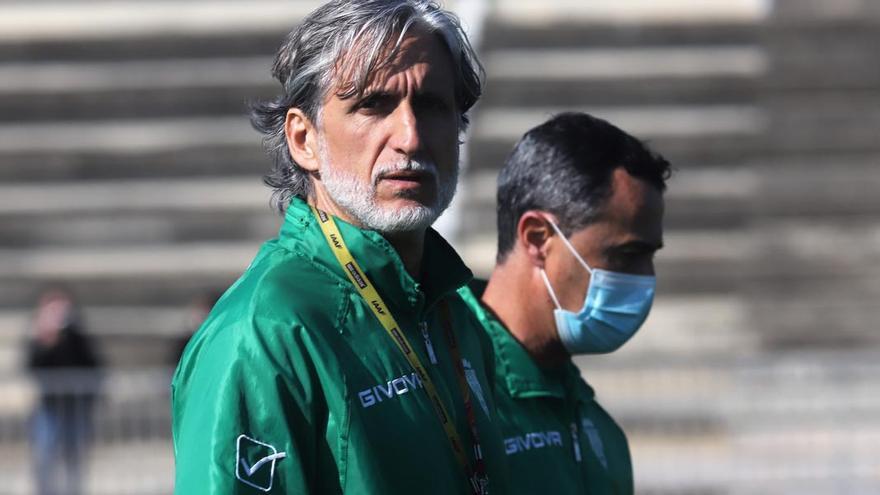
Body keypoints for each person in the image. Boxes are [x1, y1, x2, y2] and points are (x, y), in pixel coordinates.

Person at [172, 1, 508, 494]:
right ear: (304, 139)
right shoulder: (263, 333)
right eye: (373, 105)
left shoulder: (453, 309)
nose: (410, 137)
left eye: (433, 105)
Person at [458, 112, 671, 494]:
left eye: (649, 257)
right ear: (538, 238)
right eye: (625, 255)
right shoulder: (444, 391)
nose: (645, 279)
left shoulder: (598, 428)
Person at [27, 287, 102, 495]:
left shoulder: (79, 336)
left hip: (75, 409)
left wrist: (69, 336)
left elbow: (92, 364)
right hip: (49, 407)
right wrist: (47, 341)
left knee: (75, 456)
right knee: (44, 455)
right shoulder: (39, 337)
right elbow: (32, 365)